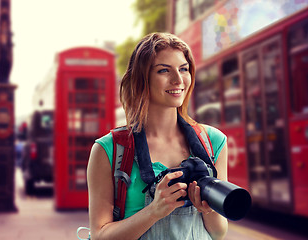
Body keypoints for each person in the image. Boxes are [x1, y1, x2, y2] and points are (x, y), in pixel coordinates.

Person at [87, 32, 228, 240]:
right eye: (164, 70)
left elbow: (218, 232)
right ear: (141, 79)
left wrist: (208, 209)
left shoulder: (213, 142)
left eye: (184, 69)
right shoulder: (109, 150)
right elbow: (100, 235)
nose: (178, 80)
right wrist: (154, 211)